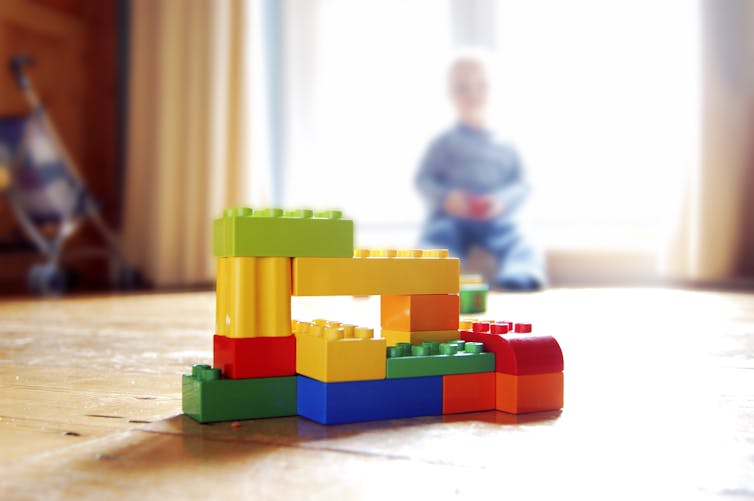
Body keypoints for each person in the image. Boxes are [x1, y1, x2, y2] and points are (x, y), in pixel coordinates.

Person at [416, 52, 546, 290]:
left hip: (495, 217)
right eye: (462, 87)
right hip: (453, 216)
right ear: (450, 94)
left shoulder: (506, 144)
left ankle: (521, 273)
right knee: (436, 237)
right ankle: (432, 275)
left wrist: (500, 201)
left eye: (481, 85)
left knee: (520, 236)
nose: (473, 93)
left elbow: (521, 184)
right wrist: (446, 198)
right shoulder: (444, 143)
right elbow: (423, 180)